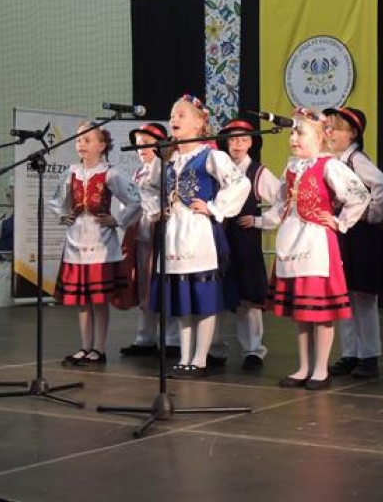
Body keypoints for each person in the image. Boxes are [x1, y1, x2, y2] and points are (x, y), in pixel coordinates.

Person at [260, 108, 370, 390]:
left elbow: (360, 194)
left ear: (321, 137)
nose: (293, 138)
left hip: (317, 242)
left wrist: (339, 221)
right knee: (302, 311)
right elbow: (282, 203)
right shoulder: (291, 167)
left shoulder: (329, 165)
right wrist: (262, 222)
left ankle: (320, 368)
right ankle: (304, 367)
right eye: (292, 132)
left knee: (320, 312)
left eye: (300, 132)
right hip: (292, 239)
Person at [153, 94, 250, 379]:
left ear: (199, 124)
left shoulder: (212, 156)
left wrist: (215, 208)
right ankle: (185, 356)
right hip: (175, 232)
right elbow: (147, 188)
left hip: (199, 233)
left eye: (181, 115)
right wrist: (157, 209)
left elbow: (240, 183)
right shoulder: (169, 160)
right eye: (172, 115)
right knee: (182, 298)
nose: (174, 119)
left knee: (203, 296)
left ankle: (200, 358)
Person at [50, 121, 141, 366]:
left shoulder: (110, 173)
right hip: (76, 244)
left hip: (101, 246)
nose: (81, 144)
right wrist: (62, 215)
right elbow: (55, 201)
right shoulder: (71, 173)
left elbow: (134, 199)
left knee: (99, 301)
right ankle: (85, 346)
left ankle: (99, 349)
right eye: (78, 140)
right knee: (82, 301)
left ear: (102, 145)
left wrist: (117, 219)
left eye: (87, 140)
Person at [323, 107, 383, 380]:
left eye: (336, 128)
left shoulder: (356, 160)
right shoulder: (335, 160)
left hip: (362, 235)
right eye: (328, 128)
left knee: (363, 297)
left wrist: (370, 214)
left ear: (352, 133)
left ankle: (368, 355)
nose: (330, 133)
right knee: (346, 295)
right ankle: (350, 353)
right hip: (345, 234)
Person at [217, 118, 280, 371]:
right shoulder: (216, 168)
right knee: (216, 293)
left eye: (243, 139)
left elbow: (283, 199)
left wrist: (259, 220)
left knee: (248, 296)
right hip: (218, 239)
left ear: (251, 142)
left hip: (244, 241)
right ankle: (214, 348)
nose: (237, 144)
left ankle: (253, 350)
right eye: (233, 139)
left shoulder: (258, 172)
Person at [119, 122, 180, 359]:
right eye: (138, 145)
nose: (141, 149)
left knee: (165, 283)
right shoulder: (138, 173)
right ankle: (145, 338)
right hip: (143, 234)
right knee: (145, 284)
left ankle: (172, 340)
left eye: (146, 144)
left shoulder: (167, 169)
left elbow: (173, 200)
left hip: (163, 234)